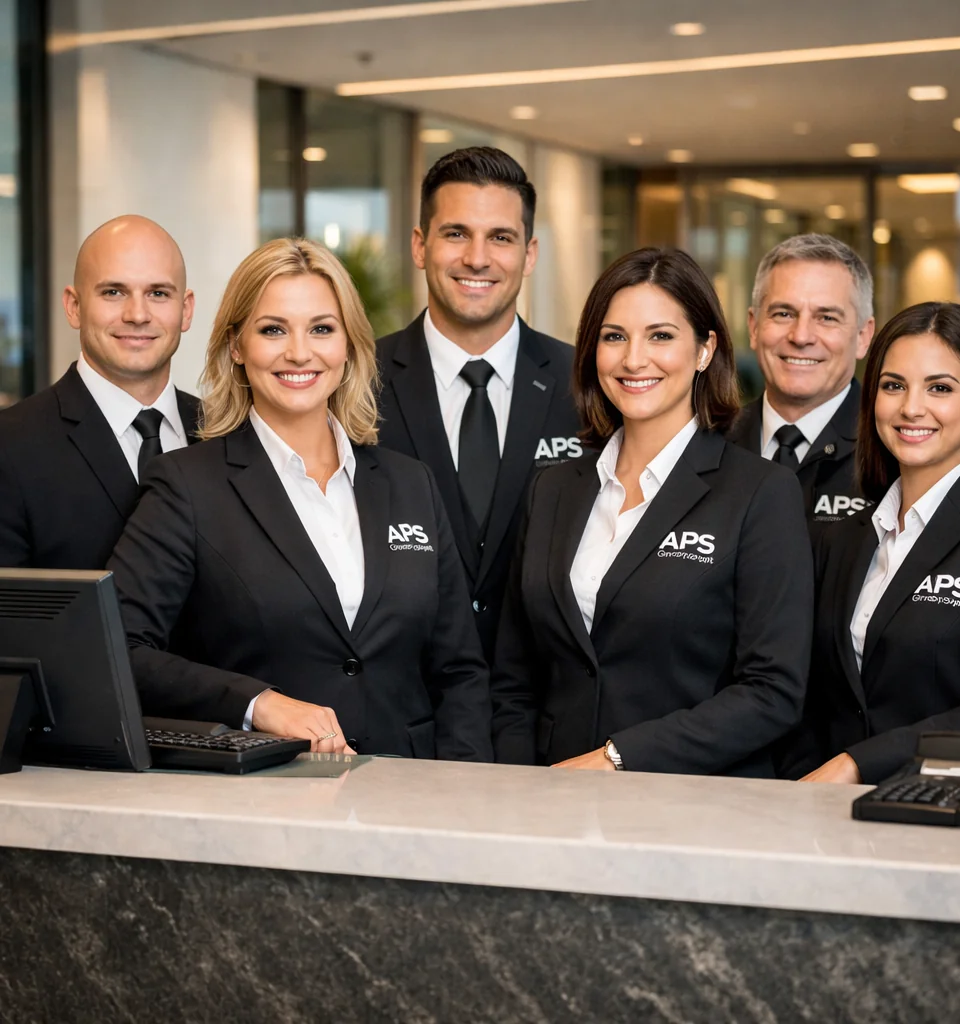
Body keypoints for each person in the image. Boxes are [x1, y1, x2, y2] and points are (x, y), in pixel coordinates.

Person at [108, 238, 493, 758]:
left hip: (410, 801)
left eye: (321, 328)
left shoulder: (410, 484)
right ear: (237, 346)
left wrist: (461, 797)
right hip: (264, 798)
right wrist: (257, 703)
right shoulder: (186, 485)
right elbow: (120, 649)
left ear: (350, 344)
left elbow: (460, 669)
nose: (299, 352)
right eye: (272, 330)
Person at [490, 248, 814, 775]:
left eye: (660, 336)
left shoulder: (760, 493)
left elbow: (772, 691)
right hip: (549, 804)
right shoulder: (552, 489)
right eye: (614, 336)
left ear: (705, 349)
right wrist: (520, 787)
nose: (633, 359)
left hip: (690, 807)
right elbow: (513, 675)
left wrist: (618, 758)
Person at [784, 302, 960, 785]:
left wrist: (858, 765)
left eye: (939, 388)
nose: (912, 408)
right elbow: (811, 695)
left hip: (956, 820)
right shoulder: (844, 538)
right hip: (828, 819)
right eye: (894, 386)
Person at [376, 147, 580, 662]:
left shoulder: (587, 386)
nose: (478, 258)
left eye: (501, 237)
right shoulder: (355, 381)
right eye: (456, 233)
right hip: (400, 710)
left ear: (529, 254)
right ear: (420, 245)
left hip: (547, 712)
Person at [0, 215, 201, 568]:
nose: (137, 314)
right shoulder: (10, 447)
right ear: (74, 306)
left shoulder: (225, 433)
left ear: (185, 311)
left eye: (158, 293)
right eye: (113, 292)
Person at [729, 234, 875, 536]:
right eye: (784, 314)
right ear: (754, 327)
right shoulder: (705, 444)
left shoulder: (893, 454)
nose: (801, 336)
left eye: (827, 317)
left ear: (863, 336)